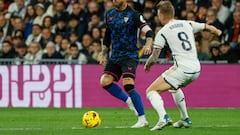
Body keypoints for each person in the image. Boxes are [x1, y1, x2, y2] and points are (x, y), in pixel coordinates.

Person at [144, 1, 222, 131]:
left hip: (183, 69)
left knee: (151, 91)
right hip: (196, 68)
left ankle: (163, 117)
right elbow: (208, 27)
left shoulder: (163, 31)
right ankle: (185, 119)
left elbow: (155, 57)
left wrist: (147, 64)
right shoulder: (188, 23)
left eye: (158, 14)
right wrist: (218, 32)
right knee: (174, 87)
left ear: (162, 15)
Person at [98, 0, 154, 128]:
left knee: (128, 84)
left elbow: (148, 31)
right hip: (115, 56)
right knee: (104, 81)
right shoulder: (110, 14)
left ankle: (142, 119)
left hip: (130, 55)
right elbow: (107, 35)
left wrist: (148, 43)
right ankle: (129, 101)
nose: (114, 1)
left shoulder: (133, 14)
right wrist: (103, 53)